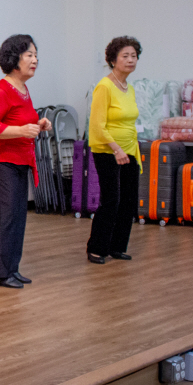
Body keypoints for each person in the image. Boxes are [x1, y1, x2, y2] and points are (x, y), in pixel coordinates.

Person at [0, 34, 51, 289]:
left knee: (18, 217)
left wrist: (38, 124)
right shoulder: (2, 89)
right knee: (6, 217)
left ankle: (11, 268)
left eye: (36, 55)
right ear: (14, 59)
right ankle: (0, 273)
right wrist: (21, 130)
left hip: (19, 162)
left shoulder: (23, 89)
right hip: (1, 163)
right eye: (29, 55)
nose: (35, 60)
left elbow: (19, 121)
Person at [86, 37, 142, 264]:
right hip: (108, 151)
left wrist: (130, 150)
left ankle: (117, 247)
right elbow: (97, 126)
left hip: (130, 150)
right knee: (111, 200)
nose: (130, 60)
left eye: (134, 56)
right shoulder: (104, 86)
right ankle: (96, 248)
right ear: (112, 60)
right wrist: (116, 149)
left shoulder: (130, 88)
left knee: (129, 201)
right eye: (125, 56)